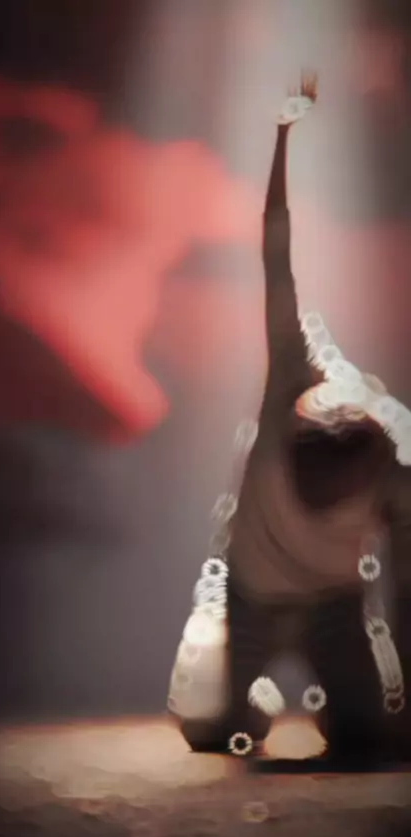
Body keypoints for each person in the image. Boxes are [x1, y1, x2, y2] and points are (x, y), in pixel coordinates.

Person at [168, 72, 411, 765]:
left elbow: (405, 586)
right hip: (252, 591)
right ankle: (253, 706)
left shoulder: (391, 472)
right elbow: (277, 260)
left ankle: (341, 708)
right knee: (217, 733)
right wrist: (281, 139)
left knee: (369, 740)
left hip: (333, 602)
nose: (323, 496)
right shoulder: (289, 392)